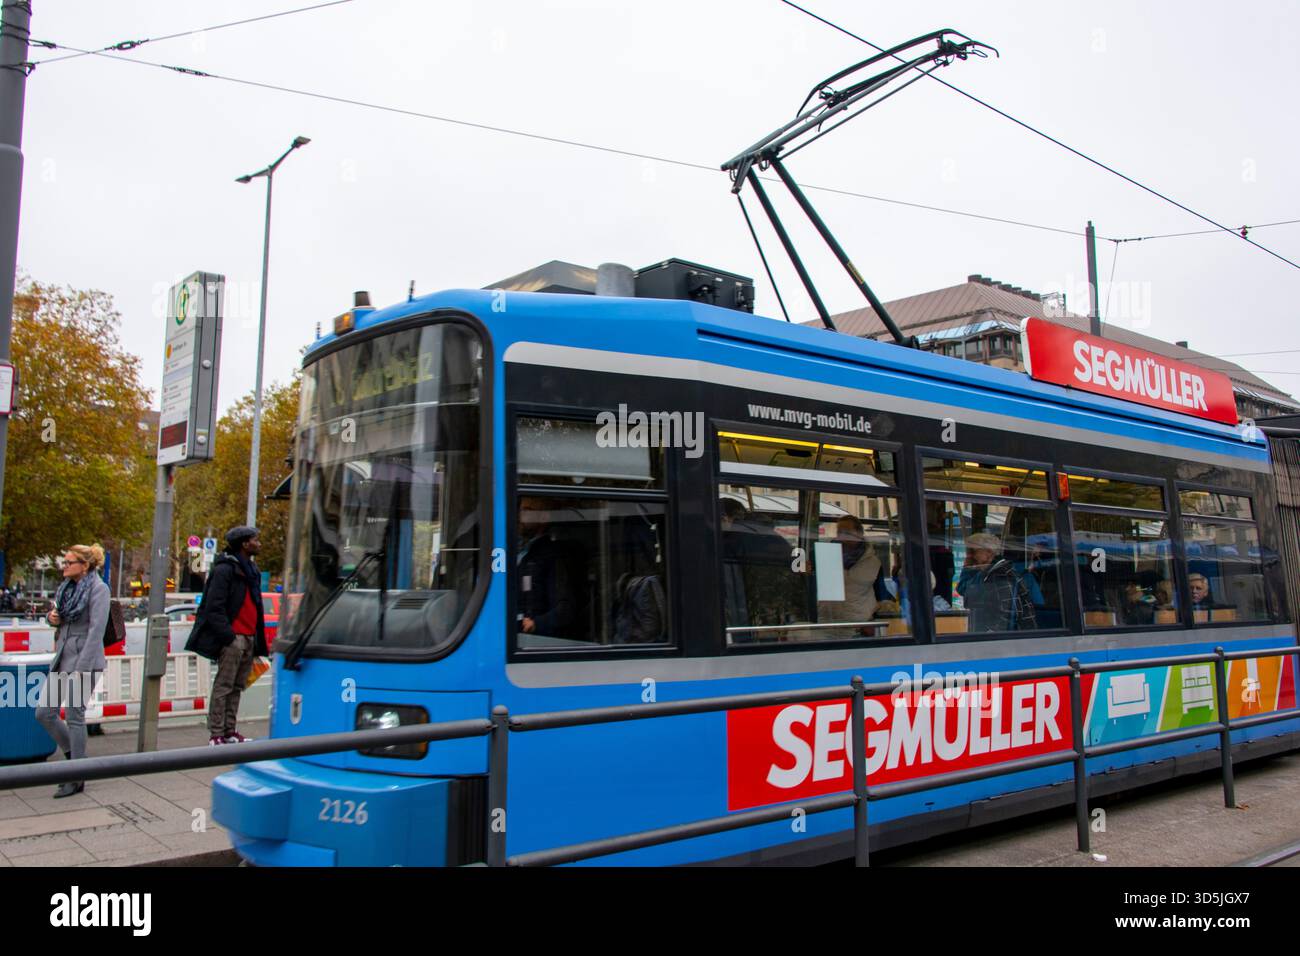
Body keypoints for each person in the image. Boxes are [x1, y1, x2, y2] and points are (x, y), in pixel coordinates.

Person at [35, 544, 110, 798]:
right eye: (64, 562)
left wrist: (82, 668)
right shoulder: (67, 588)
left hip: (83, 661)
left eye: (69, 562)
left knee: (75, 715)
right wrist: (51, 618)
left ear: (85, 565)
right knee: (44, 712)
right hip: (63, 657)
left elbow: (96, 632)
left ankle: (76, 775)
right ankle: (75, 757)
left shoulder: (99, 590)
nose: (64, 566)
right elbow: (58, 617)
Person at [186, 526, 268, 745]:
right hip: (235, 637)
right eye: (255, 540)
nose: (259, 543)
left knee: (237, 687)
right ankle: (216, 733)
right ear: (244, 544)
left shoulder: (251, 569)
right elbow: (214, 606)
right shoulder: (226, 570)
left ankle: (230, 730)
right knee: (224, 686)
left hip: (248, 636)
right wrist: (229, 636)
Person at [517, 497, 580, 639]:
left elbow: (565, 609)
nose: (520, 516)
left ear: (544, 517)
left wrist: (535, 623)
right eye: (520, 510)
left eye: (527, 511)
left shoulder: (553, 555)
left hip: (537, 640)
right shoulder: (524, 552)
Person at [956, 532, 1037, 632]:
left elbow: (1009, 615)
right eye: (968, 552)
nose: (969, 555)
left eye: (973, 551)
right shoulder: (986, 571)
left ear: (989, 552)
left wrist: (991, 635)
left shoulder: (1001, 574)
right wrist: (967, 567)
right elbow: (965, 591)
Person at [818, 515, 881, 633]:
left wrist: (871, 621)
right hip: (826, 625)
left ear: (859, 534)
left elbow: (880, 595)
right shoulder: (825, 556)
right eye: (839, 532)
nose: (841, 537)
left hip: (859, 628)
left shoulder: (873, 562)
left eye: (847, 532)